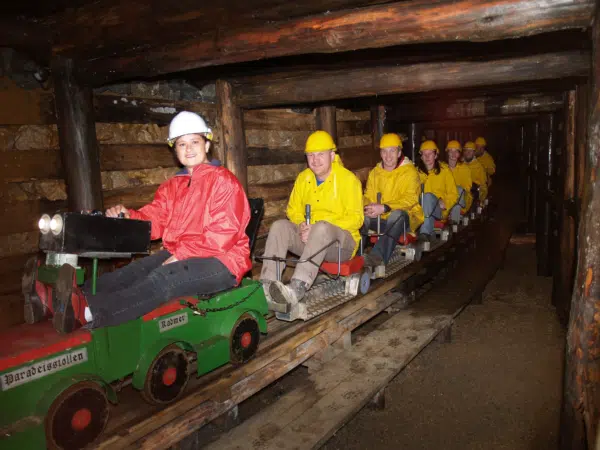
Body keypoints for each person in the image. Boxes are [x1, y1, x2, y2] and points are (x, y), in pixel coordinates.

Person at [27, 111, 252, 334]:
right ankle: (64, 301)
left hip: (223, 262)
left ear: (207, 145)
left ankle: (88, 311)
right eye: (182, 144)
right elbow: (154, 221)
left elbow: (222, 235)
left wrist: (179, 256)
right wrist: (128, 216)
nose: (189, 149)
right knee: (133, 271)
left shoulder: (224, 182)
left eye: (195, 141)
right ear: (175, 150)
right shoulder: (173, 185)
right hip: (183, 252)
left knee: (165, 278)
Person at [260, 131, 363, 306]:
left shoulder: (348, 180)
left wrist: (317, 227)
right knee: (280, 226)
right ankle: (267, 286)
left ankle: (297, 287)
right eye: (311, 155)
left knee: (322, 228)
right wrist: (302, 225)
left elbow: (356, 218)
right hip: (310, 240)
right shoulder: (303, 179)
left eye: (320, 154)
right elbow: (293, 209)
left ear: (332, 155)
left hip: (341, 245)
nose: (315, 160)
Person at [362, 133, 424, 267]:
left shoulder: (410, 172)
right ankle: (356, 257)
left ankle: (377, 258)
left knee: (397, 215)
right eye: (384, 151)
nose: (388, 156)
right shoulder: (375, 173)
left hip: (405, 219)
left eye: (392, 151)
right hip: (381, 218)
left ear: (399, 152)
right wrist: (367, 207)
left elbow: (410, 199)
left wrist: (385, 207)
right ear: (380, 153)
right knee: (362, 217)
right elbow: (368, 196)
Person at [417, 140, 459, 241]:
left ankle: (425, 232)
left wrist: (445, 203)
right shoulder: (415, 173)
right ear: (421, 157)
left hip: (438, 209)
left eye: (430, 153)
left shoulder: (444, 171)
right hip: (421, 210)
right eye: (424, 154)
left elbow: (453, 194)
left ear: (435, 156)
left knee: (427, 197)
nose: (427, 157)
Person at [445, 140, 472, 219]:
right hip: (446, 198)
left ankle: (454, 222)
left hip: (461, 198)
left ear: (459, 154)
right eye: (451, 151)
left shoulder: (465, 169)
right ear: (447, 153)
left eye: (456, 151)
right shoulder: (442, 168)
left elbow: (467, 188)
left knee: (459, 190)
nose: (453, 154)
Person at [463, 141, 488, 207]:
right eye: (466, 150)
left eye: (471, 151)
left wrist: (482, 199)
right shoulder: (459, 165)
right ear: (464, 152)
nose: (468, 153)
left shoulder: (479, 167)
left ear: (474, 153)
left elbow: (483, 186)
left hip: (474, 194)